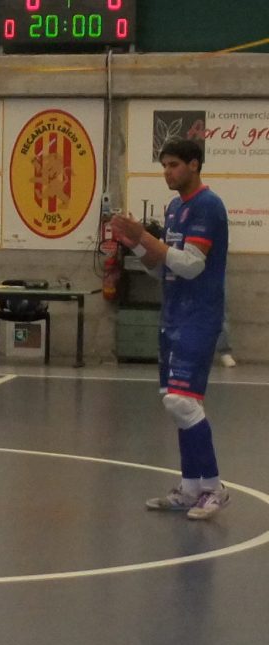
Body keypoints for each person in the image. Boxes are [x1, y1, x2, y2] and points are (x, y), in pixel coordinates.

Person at [110, 139, 230, 520]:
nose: (167, 172)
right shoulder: (175, 208)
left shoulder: (208, 206)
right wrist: (135, 244)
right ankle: (190, 487)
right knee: (178, 405)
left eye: (174, 164)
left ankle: (214, 488)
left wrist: (145, 236)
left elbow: (192, 265)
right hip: (173, 314)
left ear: (194, 165)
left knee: (182, 402)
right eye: (164, 165)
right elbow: (163, 267)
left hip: (199, 316)